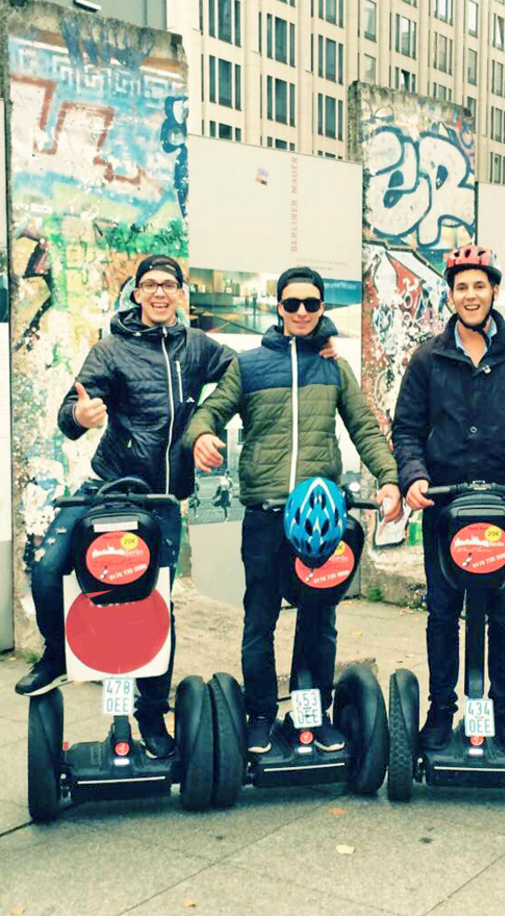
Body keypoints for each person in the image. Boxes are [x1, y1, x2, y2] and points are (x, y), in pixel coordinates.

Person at [13, 256, 234, 760]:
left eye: (169, 285)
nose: (159, 293)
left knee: (155, 607)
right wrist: (81, 414)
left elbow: (245, 373)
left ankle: (152, 715)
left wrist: (207, 421)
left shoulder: (197, 347)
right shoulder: (110, 349)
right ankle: (55, 652)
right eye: (150, 285)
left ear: (180, 294)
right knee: (48, 567)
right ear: (137, 293)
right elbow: (69, 414)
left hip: (162, 503)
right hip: (108, 489)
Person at [188, 266, 402, 755]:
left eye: (311, 304)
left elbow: (365, 428)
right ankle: (261, 715)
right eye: (292, 304)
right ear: (278, 308)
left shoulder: (334, 366)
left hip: (320, 519)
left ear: (322, 308)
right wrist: (201, 435)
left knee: (318, 621)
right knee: (259, 619)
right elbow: (210, 411)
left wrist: (389, 479)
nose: (301, 312)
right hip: (266, 514)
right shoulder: (248, 366)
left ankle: (311, 713)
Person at [392, 245, 505, 755]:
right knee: (444, 611)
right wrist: (414, 476)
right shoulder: (428, 357)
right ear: (450, 294)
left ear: (494, 292)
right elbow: (407, 430)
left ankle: (504, 712)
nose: (470, 295)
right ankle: (441, 710)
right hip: (445, 506)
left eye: (479, 285)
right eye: (461, 286)